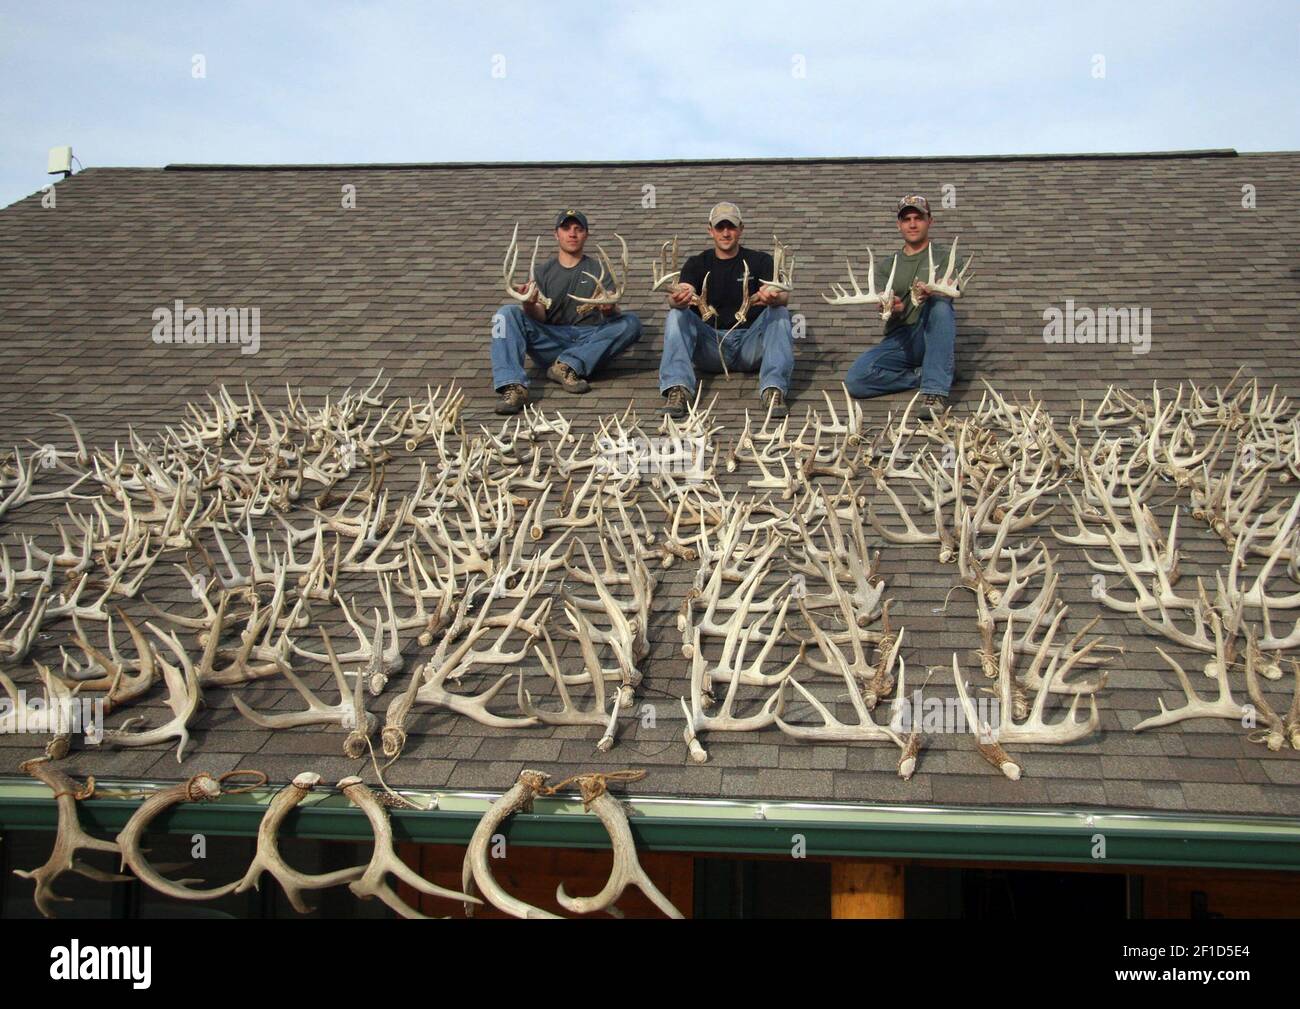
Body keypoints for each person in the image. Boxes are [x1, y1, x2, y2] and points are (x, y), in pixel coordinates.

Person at [491, 210, 642, 415]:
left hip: (590, 342)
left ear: (586, 235)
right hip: (552, 340)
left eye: (578, 229)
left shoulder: (600, 270)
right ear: (556, 234)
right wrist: (529, 304)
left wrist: (609, 309)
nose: (572, 234)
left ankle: (566, 366)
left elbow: (612, 309)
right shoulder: (543, 272)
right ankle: (513, 386)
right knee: (505, 314)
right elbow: (541, 316)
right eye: (566, 229)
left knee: (631, 322)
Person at [658, 202, 795, 420]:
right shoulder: (696, 264)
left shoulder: (760, 261)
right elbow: (680, 294)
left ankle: (774, 389)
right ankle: (677, 389)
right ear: (710, 230)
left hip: (751, 346)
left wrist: (775, 297)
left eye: (730, 227)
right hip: (711, 347)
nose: (725, 233)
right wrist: (679, 298)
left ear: (741, 228)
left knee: (779, 312)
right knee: (677, 314)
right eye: (719, 227)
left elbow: (783, 296)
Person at [843, 194, 959, 414]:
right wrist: (892, 308)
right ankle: (924, 374)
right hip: (900, 338)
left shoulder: (946, 258)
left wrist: (934, 290)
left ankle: (934, 392)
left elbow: (954, 289)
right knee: (856, 380)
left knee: (941, 306)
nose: (913, 224)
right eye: (907, 219)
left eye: (918, 218)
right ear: (899, 225)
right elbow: (884, 303)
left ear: (929, 221)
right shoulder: (887, 266)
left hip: (931, 331)